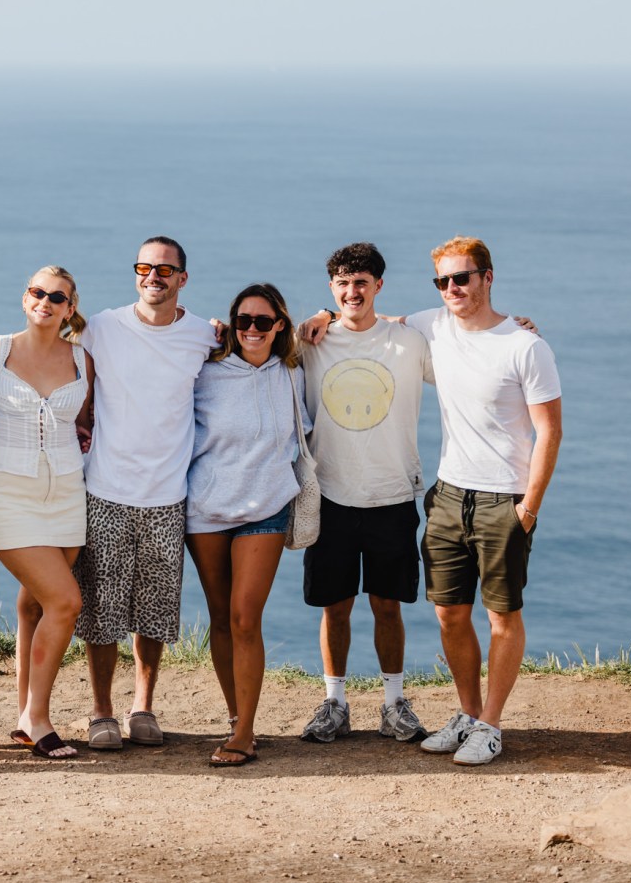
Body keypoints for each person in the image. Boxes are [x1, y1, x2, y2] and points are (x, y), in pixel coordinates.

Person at [402, 237, 562, 766]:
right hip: (448, 495)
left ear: (487, 277)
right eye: (443, 281)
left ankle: (492, 724)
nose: (452, 289)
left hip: (504, 499)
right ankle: (469, 714)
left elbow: (550, 432)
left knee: (502, 616)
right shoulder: (433, 325)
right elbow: (370, 323)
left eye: (462, 278)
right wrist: (320, 318)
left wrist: (528, 509)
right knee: (449, 613)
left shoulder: (525, 346)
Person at [74, 237, 219, 750]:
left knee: (155, 609)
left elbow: (256, 349)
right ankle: (101, 712)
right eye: (143, 267)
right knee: (102, 607)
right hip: (106, 487)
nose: (152, 276)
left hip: (168, 494)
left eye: (164, 269)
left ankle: (143, 707)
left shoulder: (204, 335)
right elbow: (57, 356)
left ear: (183, 277)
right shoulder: (102, 327)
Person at [296, 243, 432, 745]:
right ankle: (334, 702)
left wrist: (514, 331)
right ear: (331, 287)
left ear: (379, 286)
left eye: (362, 283)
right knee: (335, 606)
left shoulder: (409, 342)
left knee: (388, 605)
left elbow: (469, 361)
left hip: (393, 492)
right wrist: (319, 317)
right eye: (342, 283)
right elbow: (251, 339)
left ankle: (394, 703)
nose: (352, 292)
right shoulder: (310, 341)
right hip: (329, 493)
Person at [183, 283, 310, 766]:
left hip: (267, 508)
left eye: (262, 321)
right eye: (243, 321)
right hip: (206, 510)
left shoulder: (295, 371)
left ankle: (246, 733)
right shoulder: (207, 371)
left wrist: (325, 314)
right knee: (220, 616)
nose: (251, 330)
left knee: (244, 617)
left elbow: (355, 321)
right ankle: (237, 717)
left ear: (280, 325)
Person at [0, 266, 93, 760]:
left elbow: (87, 422)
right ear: (25, 299)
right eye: (37, 292)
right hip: (6, 492)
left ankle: (25, 712)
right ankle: (38, 717)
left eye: (57, 296)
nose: (45, 300)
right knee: (65, 603)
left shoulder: (84, 359)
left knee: (36, 605)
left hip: (67, 492)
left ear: (69, 308)